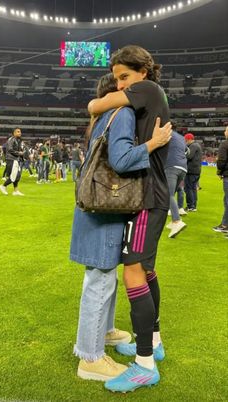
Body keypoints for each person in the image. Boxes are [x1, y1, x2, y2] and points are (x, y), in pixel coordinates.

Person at [70, 72, 171, 383]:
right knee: (100, 280)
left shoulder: (102, 118)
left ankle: (106, 331)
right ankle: (90, 357)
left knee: (103, 278)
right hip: (106, 210)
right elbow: (122, 160)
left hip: (95, 208)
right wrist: (153, 143)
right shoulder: (123, 112)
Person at [165, 131, 188, 238]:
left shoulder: (167, 133)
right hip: (183, 168)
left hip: (171, 166)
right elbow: (187, 151)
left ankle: (176, 221)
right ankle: (172, 219)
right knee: (171, 194)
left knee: (168, 194)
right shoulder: (181, 138)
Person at [0, 127, 24, 196]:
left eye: (20, 131)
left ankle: (15, 191)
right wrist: (19, 153)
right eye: (18, 131)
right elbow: (10, 149)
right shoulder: (11, 139)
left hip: (15, 159)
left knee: (18, 175)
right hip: (11, 159)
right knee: (14, 176)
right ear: (14, 133)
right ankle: (3, 186)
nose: (20, 133)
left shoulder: (17, 140)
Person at [213, 126, 228, 234]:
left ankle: (225, 225)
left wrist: (219, 172)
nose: (224, 132)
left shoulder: (225, 144)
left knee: (227, 201)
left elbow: (221, 160)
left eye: (226, 130)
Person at [184, 133, 202, 212]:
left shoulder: (193, 146)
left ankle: (190, 206)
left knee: (188, 188)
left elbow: (189, 156)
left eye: (186, 140)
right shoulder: (196, 145)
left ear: (189, 139)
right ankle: (193, 206)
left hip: (191, 171)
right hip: (196, 171)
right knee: (193, 188)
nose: (185, 142)